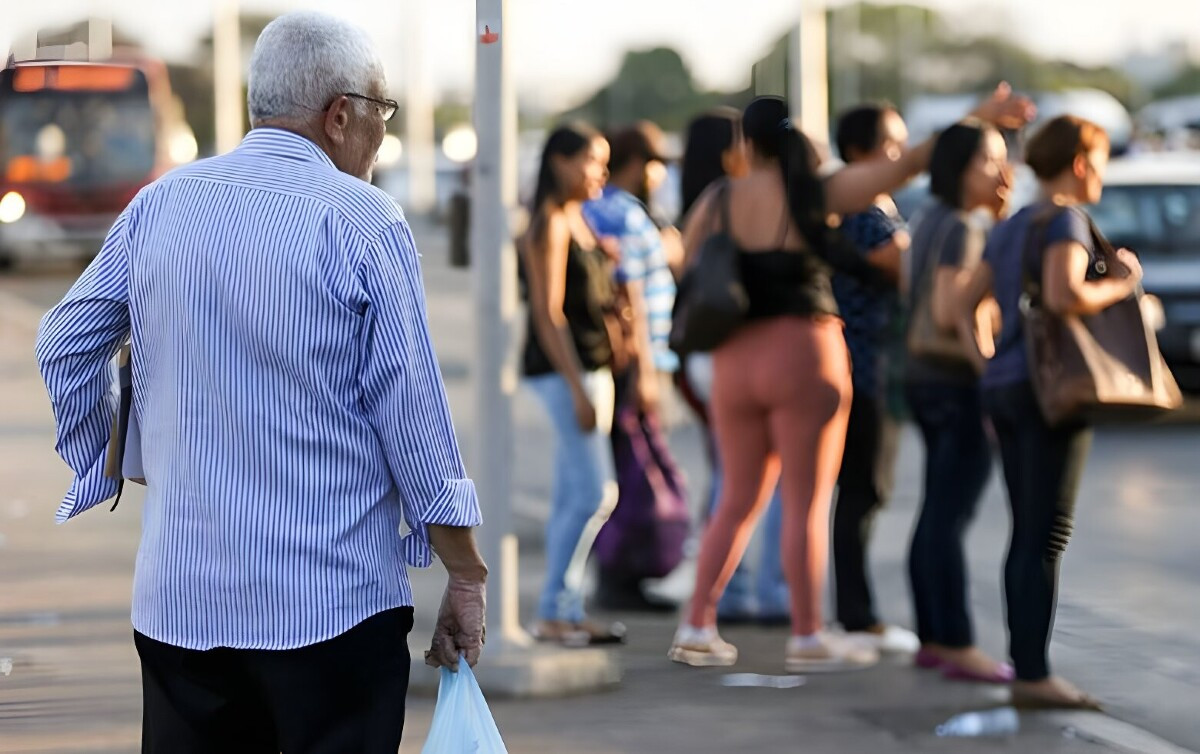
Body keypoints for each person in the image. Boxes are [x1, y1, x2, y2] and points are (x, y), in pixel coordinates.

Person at [34, 13, 486, 751]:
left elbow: (62, 343)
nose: (381, 134)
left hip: (179, 608)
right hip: (329, 612)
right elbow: (415, 423)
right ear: (341, 115)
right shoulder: (363, 221)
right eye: (382, 113)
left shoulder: (161, 204)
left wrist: (108, 459)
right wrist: (464, 573)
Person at [669, 88, 1034, 673]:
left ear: (746, 144)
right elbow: (909, 162)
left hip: (735, 357)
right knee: (807, 502)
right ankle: (808, 634)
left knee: (735, 498)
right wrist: (979, 120)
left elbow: (684, 261)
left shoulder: (719, 199)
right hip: (804, 353)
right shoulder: (818, 192)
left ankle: (697, 625)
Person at [957, 115, 1136, 709]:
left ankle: (1026, 665)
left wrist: (989, 365)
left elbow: (961, 305)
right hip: (1048, 391)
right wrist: (1124, 282)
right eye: (1102, 161)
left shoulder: (1011, 226)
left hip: (1009, 387)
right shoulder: (1064, 220)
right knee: (1044, 535)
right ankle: (1032, 675)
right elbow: (1064, 296)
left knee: (1026, 533)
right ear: (1082, 163)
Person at [904, 120, 1014, 683]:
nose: (1000, 171)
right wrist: (988, 379)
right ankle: (955, 642)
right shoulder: (962, 228)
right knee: (949, 516)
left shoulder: (929, 219)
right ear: (959, 167)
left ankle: (932, 638)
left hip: (923, 379)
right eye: (989, 160)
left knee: (935, 512)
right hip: (953, 381)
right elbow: (953, 314)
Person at [675, 108, 789, 625]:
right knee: (769, 475)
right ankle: (771, 589)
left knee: (729, 470)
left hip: (704, 349)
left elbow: (684, 266)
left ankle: (730, 588)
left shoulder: (707, 200)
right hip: (754, 349)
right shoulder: (754, 195)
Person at [521, 123, 626, 646]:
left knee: (573, 495)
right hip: (567, 372)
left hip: (593, 368)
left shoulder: (577, 217)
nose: (600, 173)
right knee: (593, 493)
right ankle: (554, 609)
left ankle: (565, 608)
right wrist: (578, 388)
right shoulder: (550, 223)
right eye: (592, 161)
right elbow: (547, 313)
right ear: (561, 162)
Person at [583, 123, 689, 613]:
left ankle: (619, 573)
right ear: (640, 163)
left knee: (627, 469)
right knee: (635, 473)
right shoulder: (623, 214)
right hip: (634, 359)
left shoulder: (603, 209)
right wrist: (645, 370)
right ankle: (618, 575)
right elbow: (630, 299)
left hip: (619, 359)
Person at [829, 103, 917, 654]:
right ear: (862, 150)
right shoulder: (863, 211)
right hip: (865, 367)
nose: (902, 156)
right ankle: (855, 616)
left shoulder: (868, 206)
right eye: (893, 144)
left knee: (865, 492)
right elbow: (906, 268)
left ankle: (853, 612)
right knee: (864, 491)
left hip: (871, 364)